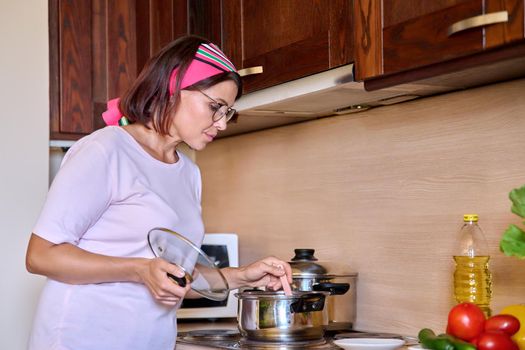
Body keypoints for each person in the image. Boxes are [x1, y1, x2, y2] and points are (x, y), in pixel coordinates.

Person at [25, 35, 292, 350]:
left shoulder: (189, 174)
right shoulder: (106, 150)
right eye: (215, 107)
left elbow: (173, 277)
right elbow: (40, 255)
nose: (221, 124)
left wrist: (242, 277)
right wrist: (139, 270)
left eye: (228, 113)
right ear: (173, 86)